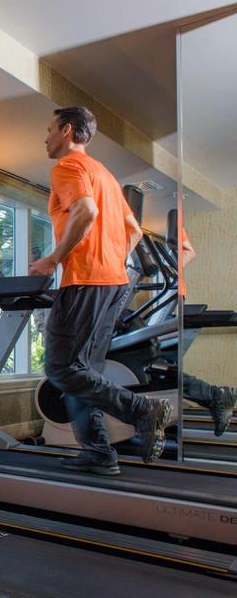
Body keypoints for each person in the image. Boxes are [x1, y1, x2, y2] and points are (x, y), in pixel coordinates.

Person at [30, 106, 173, 476]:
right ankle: (98, 452)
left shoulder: (67, 167)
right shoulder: (105, 174)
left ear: (65, 130)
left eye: (49, 130)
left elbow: (85, 212)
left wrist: (52, 259)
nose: (45, 137)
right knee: (84, 372)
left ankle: (141, 410)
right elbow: (134, 231)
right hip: (112, 281)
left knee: (61, 368)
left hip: (85, 279)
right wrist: (111, 258)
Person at [176, 229, 236, 436]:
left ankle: (214, 395)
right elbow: (188, 251)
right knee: (151, 363)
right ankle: (215, 395)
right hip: (175, 293)